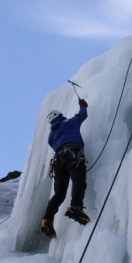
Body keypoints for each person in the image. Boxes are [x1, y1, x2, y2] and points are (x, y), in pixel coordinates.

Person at [40, 98, 90, 238]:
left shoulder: (52, 134)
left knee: (59, 194)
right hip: (72, 154)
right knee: (79, 181)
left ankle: (47, 220)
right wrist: (83, 106)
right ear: (59, 116)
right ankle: (75, 207)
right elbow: (82, 115)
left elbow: (52, 144)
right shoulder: (69, 122)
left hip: (59, 161)